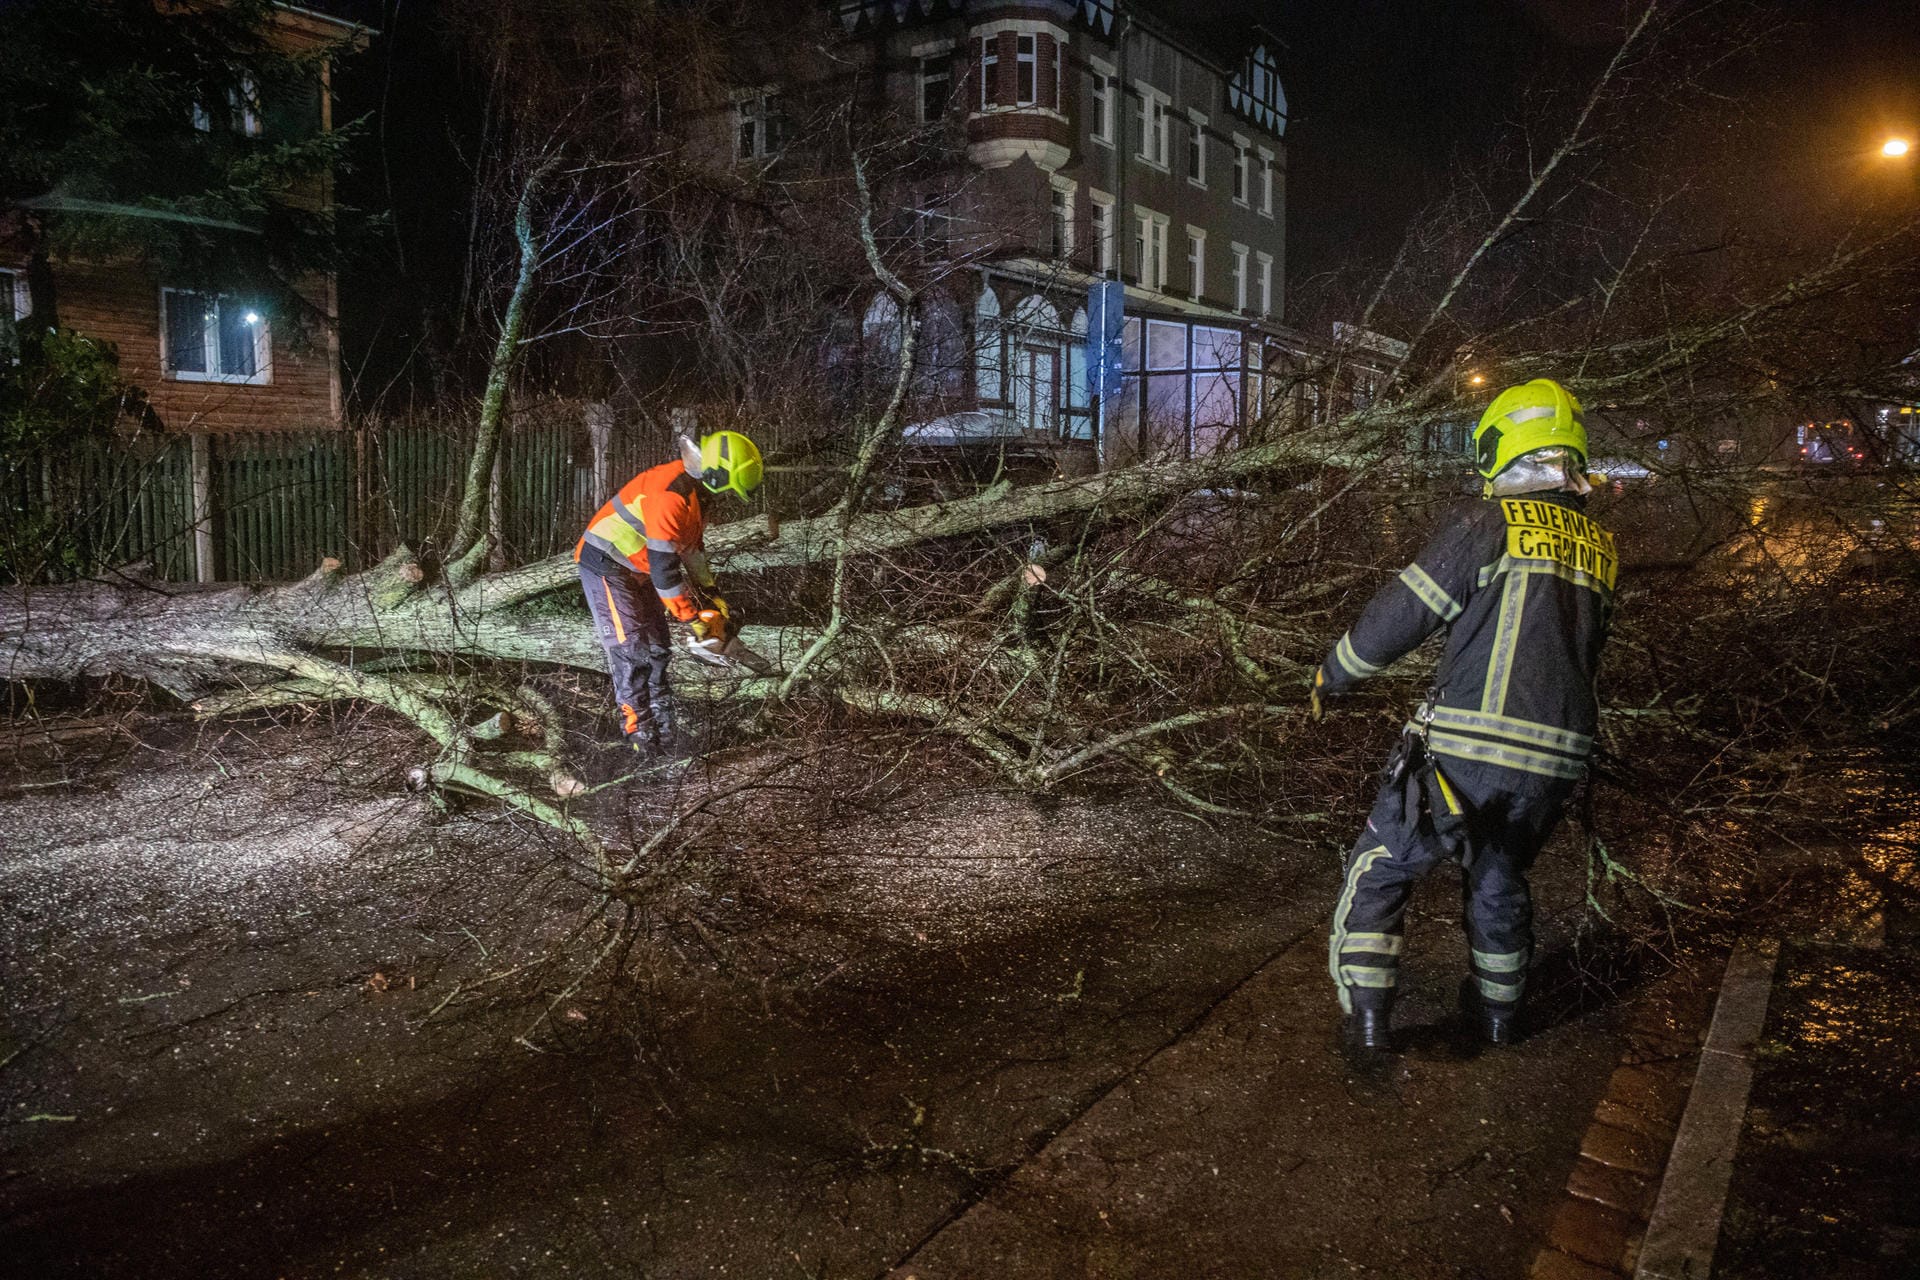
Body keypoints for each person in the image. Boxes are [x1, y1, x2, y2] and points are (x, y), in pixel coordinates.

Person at [1313, 378, 1616, 1053]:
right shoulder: (1600, 546)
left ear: (1507, 446)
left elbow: (1402, 615)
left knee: (1385, 862)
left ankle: (1368, 1023)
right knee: (1499, 878)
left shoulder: (1489, 524)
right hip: (1556, 759)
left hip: (1466, 747)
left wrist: (1332, 673)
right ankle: (1500, 1020)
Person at [574, 430, 764, 751]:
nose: (727, 497)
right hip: (606, 561)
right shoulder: (670, 496)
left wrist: (711, 594)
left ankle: (664, 720)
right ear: (717, 476)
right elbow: (665, 572)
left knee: (658, 646)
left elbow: (691, 551)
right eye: (729, 489)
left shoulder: (696, 497)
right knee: (630, 645)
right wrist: (694, 620)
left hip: (638, 567)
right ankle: (639, 732)